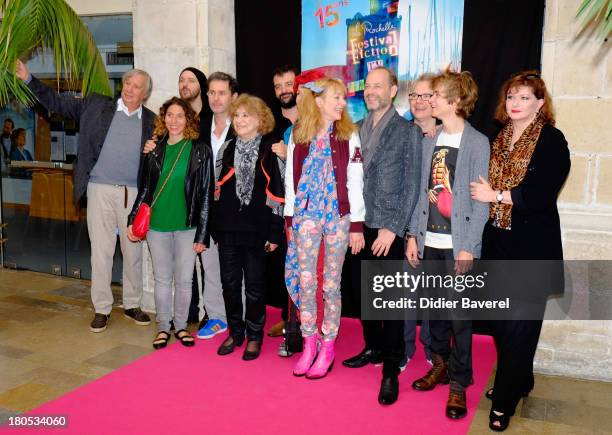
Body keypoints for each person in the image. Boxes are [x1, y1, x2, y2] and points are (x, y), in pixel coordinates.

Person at [15, 59, 155, 333]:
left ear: (144, 94)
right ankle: (102, 308)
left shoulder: (152, 121)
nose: (129, 89)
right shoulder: (96, 105)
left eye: (136, 86)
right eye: (127, 83)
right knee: (100, 253)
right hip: (99, 189)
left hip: (133, 194)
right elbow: (58, 103)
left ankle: (132, 304)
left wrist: (154, 149)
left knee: (133, 252)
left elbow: (160, 158)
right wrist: (29, 78)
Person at [470, 71, 570, 432]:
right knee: (501, 323)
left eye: (525, 97)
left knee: (521, 327)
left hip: (532, 247)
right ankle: (520, 378)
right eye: (512, 95)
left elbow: (540, 195)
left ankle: (505, 398)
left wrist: (495, 195)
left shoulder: (551, 140)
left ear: (540, 104)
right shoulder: (499, 139)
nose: (516, 102)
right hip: (498, 243)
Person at [406, 70, 490, 419]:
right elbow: (422, 195)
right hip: (430, 243)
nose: (429, 100)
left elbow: (481, 202)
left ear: (454, 102)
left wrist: (469, 246)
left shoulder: (476, 143)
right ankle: (439, 364)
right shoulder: (430, 139)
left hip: (459, 247)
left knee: (459, 318)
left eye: (437, 95)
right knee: (435, 313)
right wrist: (413, 235)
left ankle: (459, 382)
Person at [341, 67, 422, 404]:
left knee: (388, 301)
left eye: (379, 86)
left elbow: (413, 184)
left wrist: (395, 227)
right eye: (368, 86)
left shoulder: (408, 132)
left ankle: (391, 369)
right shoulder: (356, 130)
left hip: (389, 228)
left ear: (392, 91)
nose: (371, 91)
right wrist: (353, 225)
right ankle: (372, 348)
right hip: (361, 226)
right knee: (363, 295)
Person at [285, 77, 365, 379]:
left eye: (343, 98)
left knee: (331, 284)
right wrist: (290, 219)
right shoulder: (298, 134)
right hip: (305, 216)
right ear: (318, 101)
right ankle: (309, 343)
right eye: (337, 97)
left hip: (338, 218)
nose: (342, 103)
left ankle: (328, 346)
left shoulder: (349, 134)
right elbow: (291, 182)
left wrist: (356, 224)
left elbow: (355, 181)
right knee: (307, 281)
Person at [127, 97, 213, 350]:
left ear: (188, 119)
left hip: (188, 227)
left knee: (185, 280)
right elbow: (145, 189)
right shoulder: (154, 149)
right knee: (162, 279)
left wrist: (203, 235)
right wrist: (133, 220)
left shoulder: (200, 150)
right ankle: (163, 327)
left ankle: (182, 326)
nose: (174, 120)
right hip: (157, 226)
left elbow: (206, 194)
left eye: (179, 116)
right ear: (163, 119)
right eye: (169, 115)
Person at [212, 94, 284, 361]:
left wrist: (275, 232)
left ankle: (254, 336)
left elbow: (278, 192)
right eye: (237, 115)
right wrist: (215, 227)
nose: (240, 120)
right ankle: (236, 332)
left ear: (260, 120)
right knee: (229, 284)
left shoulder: (270, 147)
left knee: (254, 286)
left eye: (246, 115)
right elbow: (217, 190)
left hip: (258, 229)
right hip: (228, 228)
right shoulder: (226, 148)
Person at [194, 72, 238, 340]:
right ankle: (217, 317)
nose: (216, 98)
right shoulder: (198, 126)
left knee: (237, 267)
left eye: (222, 93)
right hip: (206, 208)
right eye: (212, 92)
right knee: (209, 265)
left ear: (233, 97)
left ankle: (240, 316)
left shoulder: (245, 124)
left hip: (236, 209)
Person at [266, 65, 298, 338]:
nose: (284, 90)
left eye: (289, 83)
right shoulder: (271, 123)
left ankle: (304, 321)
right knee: (285, 264)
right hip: (281, 208)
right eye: (278, 86)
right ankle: (288, 318)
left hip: (310, 209)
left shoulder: (314, 119)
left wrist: (290, 155)